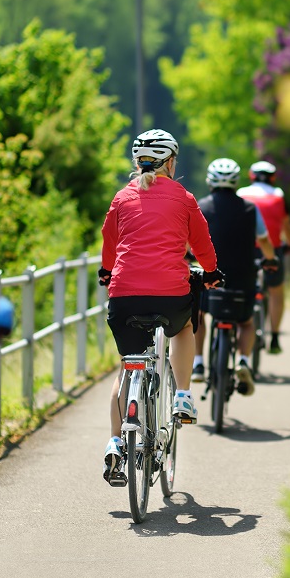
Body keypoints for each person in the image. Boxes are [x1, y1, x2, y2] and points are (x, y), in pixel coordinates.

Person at [97, 129, 223, 485]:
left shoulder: (122, 198)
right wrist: (211, 273)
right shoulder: (183, 197)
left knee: (127, 367)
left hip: (124, 297)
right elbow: (202, 244)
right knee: (184, 327)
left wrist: (108, 272)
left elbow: (110, 244)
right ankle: (182, 394)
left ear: (137, 163)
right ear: (170, 162)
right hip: (170, 293)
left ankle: (115, 442)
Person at [191, 159, 279, 393]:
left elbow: (191, 240)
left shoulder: (202, 206)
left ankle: (198, 364)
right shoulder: (250, 209)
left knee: (198, 315)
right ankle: (243, 361)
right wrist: (271, 259)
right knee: (246, 321)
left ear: (210, 181)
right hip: (243, 275)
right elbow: (263, 240)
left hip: (210, 276)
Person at [236, 160, 290, 354]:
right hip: (271, 248)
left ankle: (240, 329)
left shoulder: (241, 193)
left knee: (243, 287)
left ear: (252, 176)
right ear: (273, 178)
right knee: (276, 291)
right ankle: (275, 336)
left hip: (245, 249)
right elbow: (285, 223)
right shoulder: (278, 195)